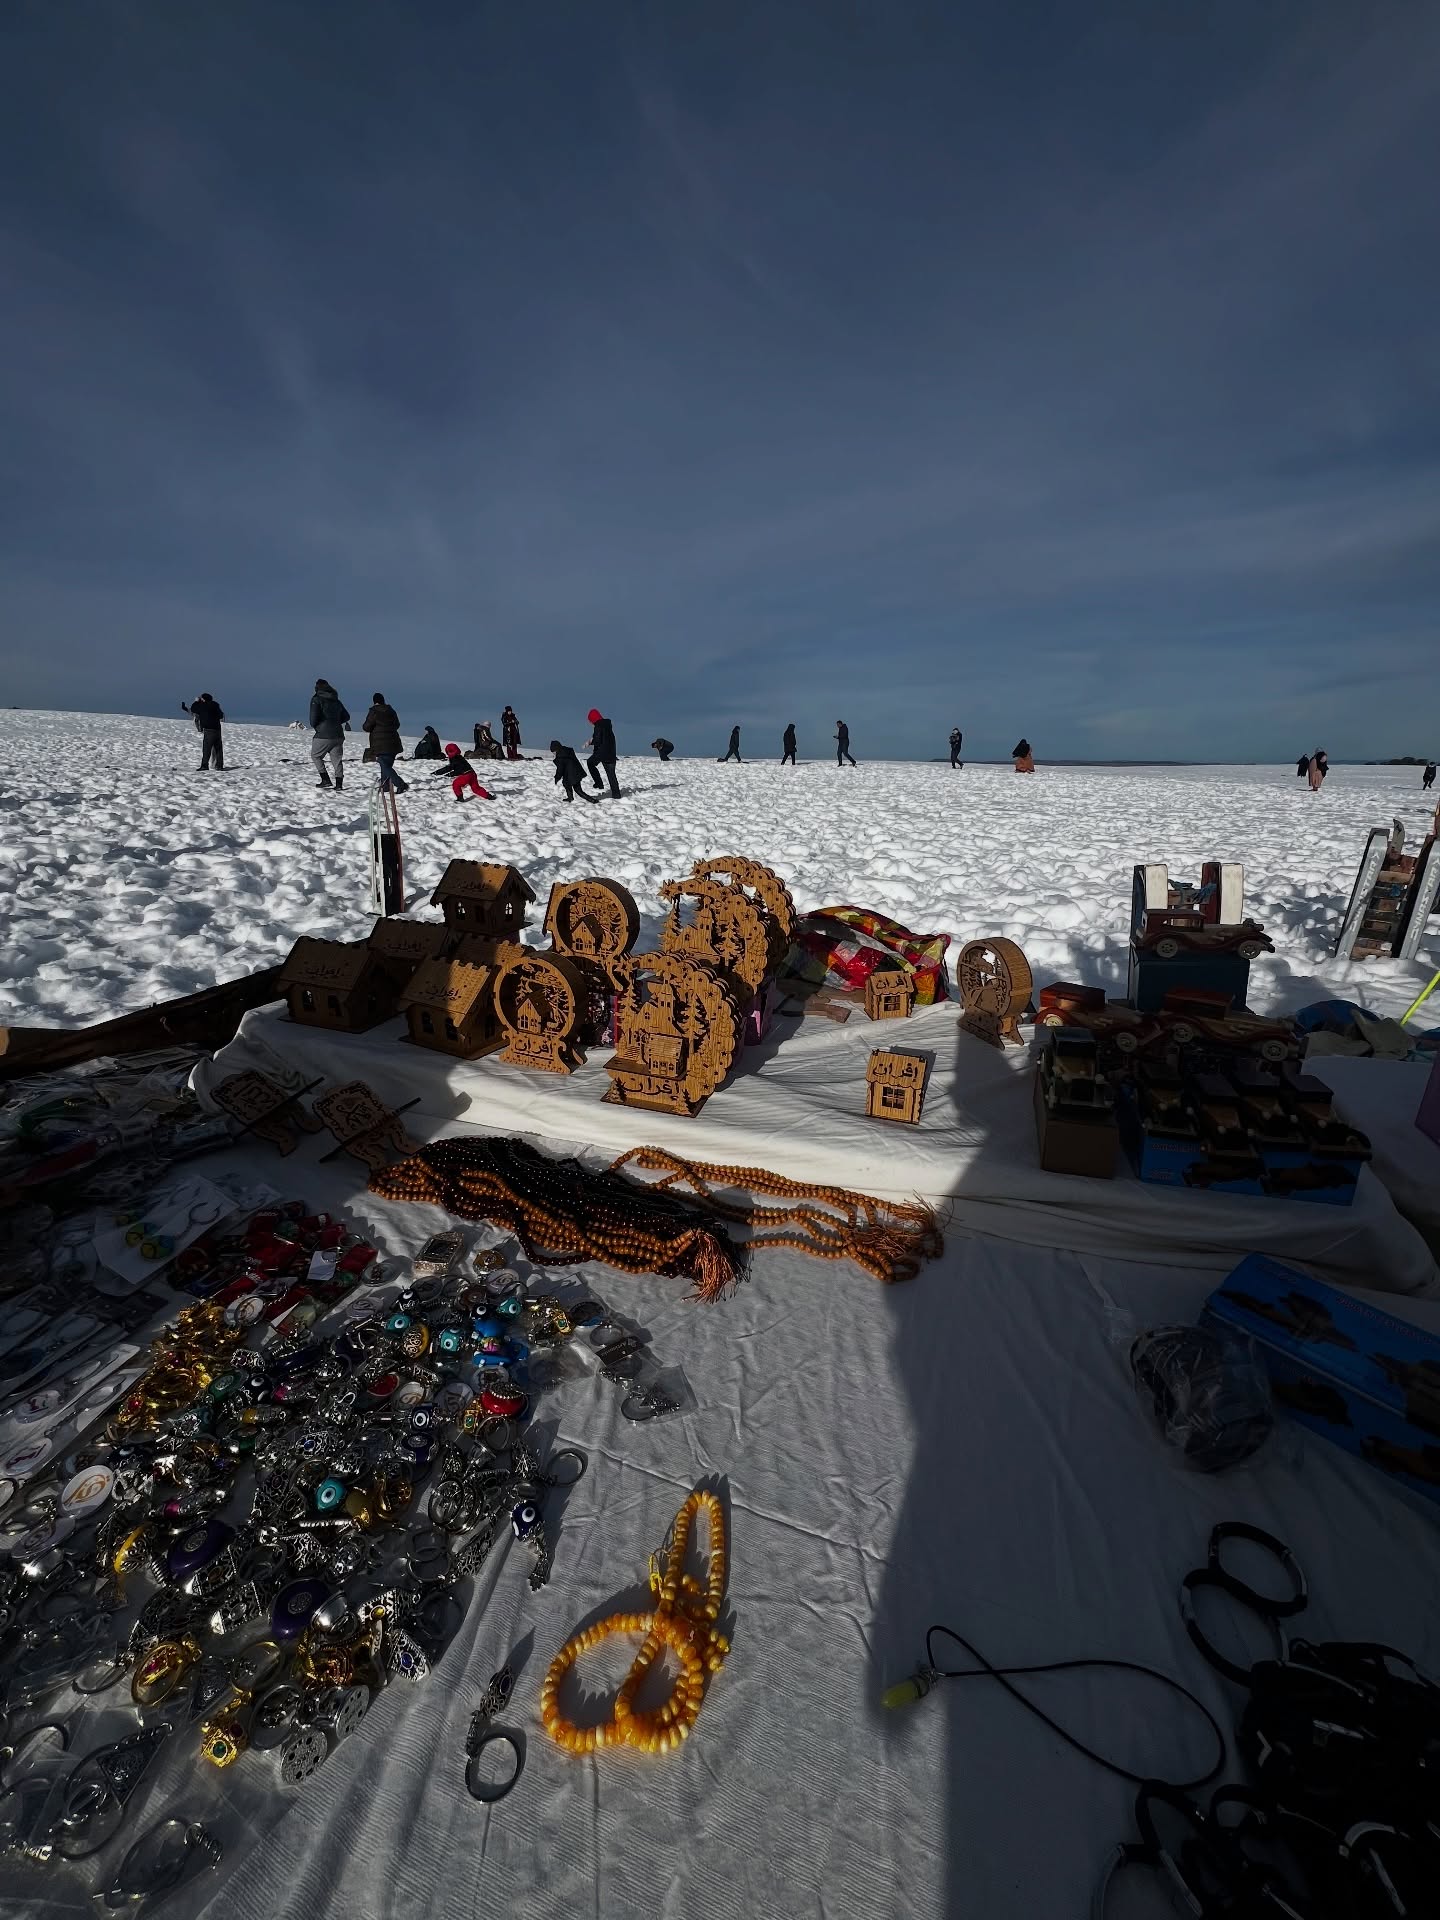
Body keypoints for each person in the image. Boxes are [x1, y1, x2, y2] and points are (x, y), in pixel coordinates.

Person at [362, 692, 408, 794]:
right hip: (393, 743)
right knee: (386, 766)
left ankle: (400, 784)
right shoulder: (391, 711)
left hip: (380, 744)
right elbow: (397, 724)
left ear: (375, 702)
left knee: (384, 764)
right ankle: (385, 786)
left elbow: (366, 727)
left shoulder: (374, 711)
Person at [309, 679, 350, 790]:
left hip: (323, 735)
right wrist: (336, 722)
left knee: (316, 756)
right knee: (337, 760)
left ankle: (325, 779)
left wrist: (318, 726)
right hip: (338, 735)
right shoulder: (336, 700)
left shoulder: (316, 699)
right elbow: (346, 716)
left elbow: (313, 719)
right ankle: (339, 784)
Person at [185, 692, 225, 771]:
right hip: (217, 729)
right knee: (218, 749)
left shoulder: (202, 706)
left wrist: (197, 701)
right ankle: (219, 766)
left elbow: (193, 709)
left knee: (207, 749)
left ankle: (204, 765)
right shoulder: (215, 705)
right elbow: (221, 715)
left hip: (208, 730)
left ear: (204, 699)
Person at [586, 707, 620, 797]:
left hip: (601, 753)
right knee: (611, 775)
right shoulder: (608, 726)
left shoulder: (598, 726)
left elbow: (598, 740)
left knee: (590, 763)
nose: (590, 723)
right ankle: (616, 795)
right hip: (611, 754)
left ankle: (598, 783)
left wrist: (589, 742)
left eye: (590, 720)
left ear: (593, 718)